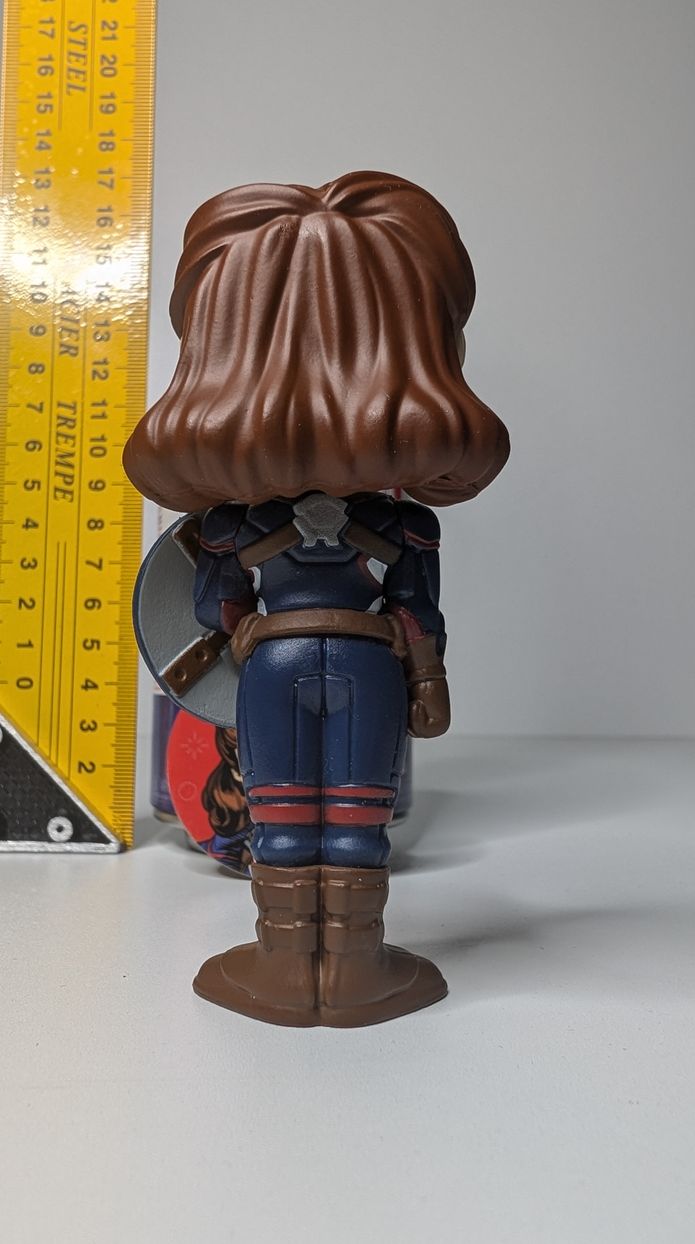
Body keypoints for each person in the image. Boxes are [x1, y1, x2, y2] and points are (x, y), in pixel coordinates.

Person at [123, 171, 509, 1026]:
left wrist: (242, 633)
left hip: (274, 665)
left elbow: (213, 601)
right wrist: (427, 678)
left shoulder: (237, 523)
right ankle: (356, 969)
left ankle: (284, 965)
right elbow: (417, 611)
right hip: (370, 668)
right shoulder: (401, 523)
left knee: (286, 816)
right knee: (358, 820)